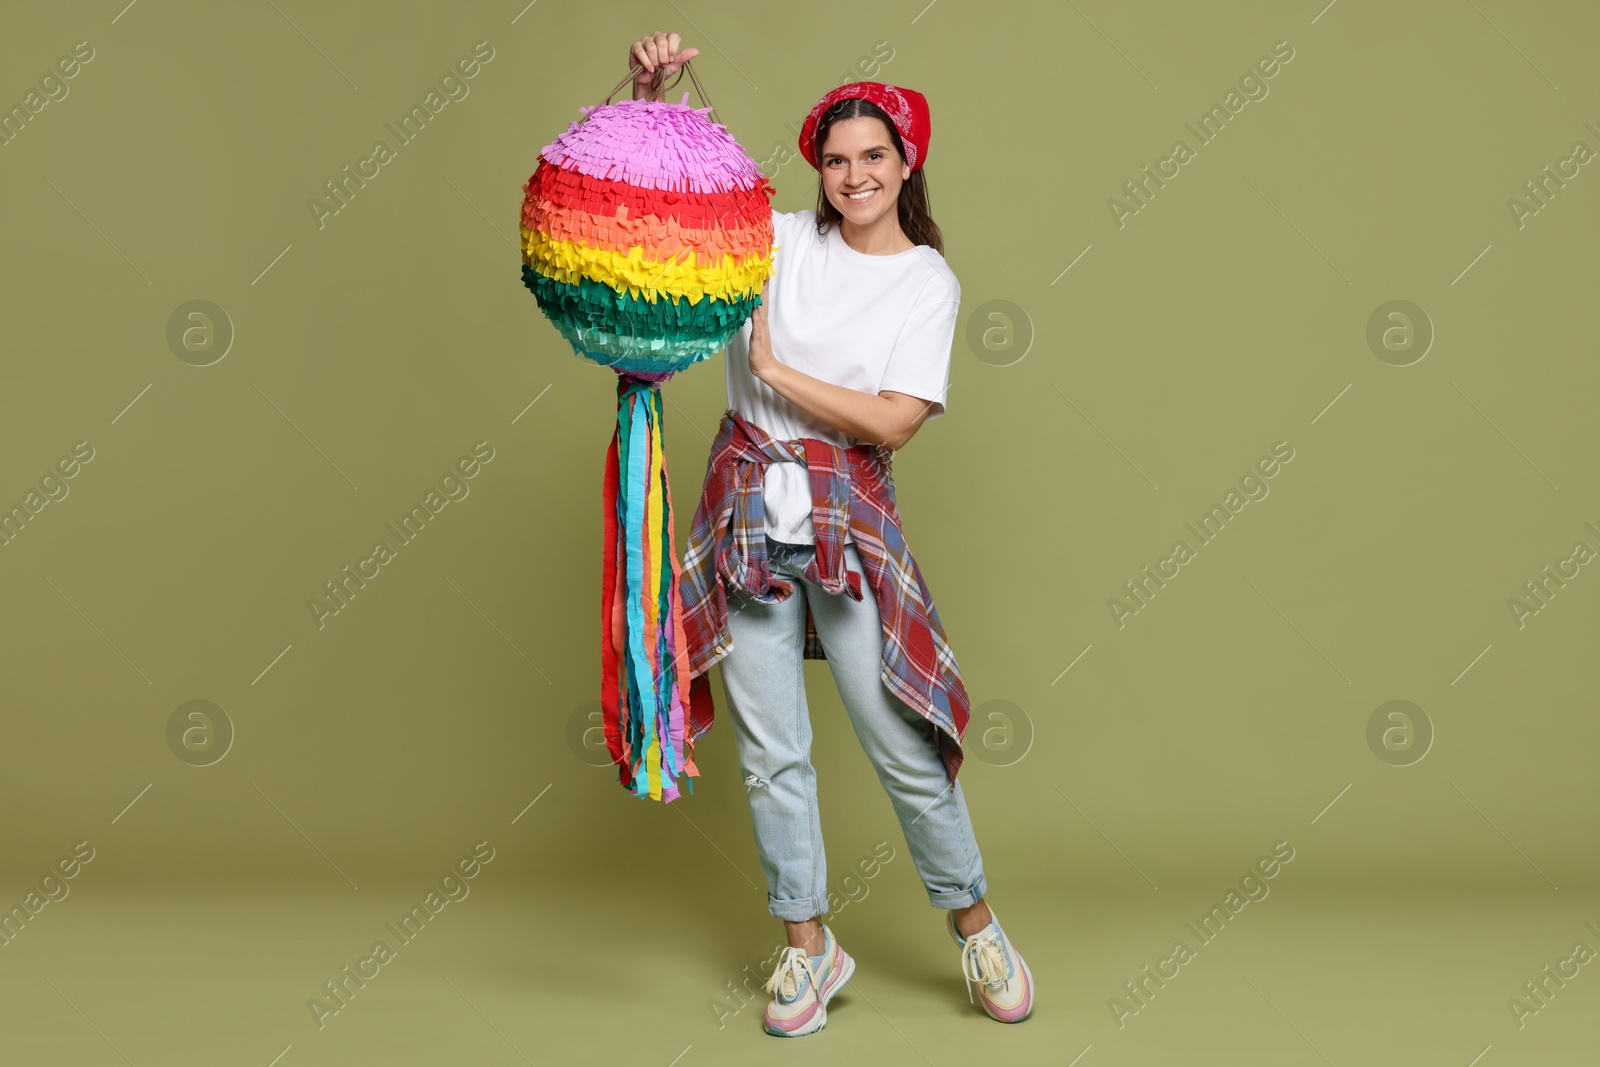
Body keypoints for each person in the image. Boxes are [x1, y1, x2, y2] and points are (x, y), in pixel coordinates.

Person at [626, 31, 1034, 1037]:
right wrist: (651, 97)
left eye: (874, 158)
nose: (853, 175)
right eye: (838, 158)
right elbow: (680, 200)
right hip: (745, 507)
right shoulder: (775, 238)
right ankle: (809, 946)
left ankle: (976, 924)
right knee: (772, 750)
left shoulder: (925, 282)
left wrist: (773, 372)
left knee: (899, 739)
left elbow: (893, 419)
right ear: (821, 165)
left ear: (905, 168)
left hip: (848, 515)